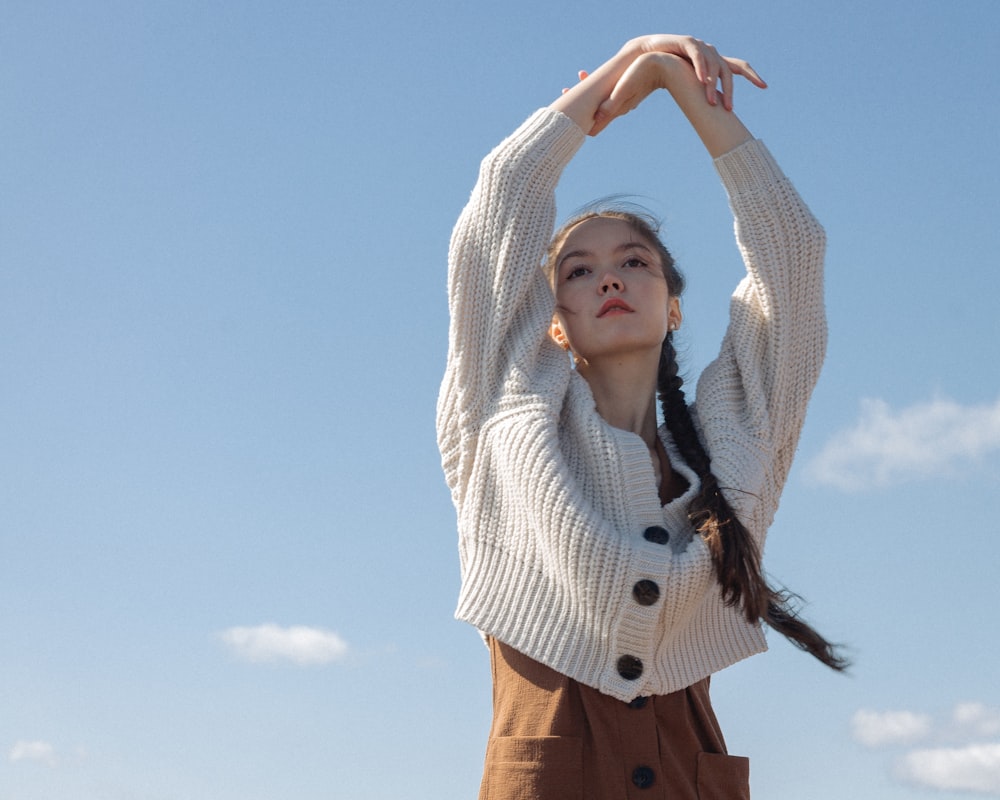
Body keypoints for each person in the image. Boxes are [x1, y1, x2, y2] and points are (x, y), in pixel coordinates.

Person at [437, 34, 847, 800]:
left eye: (636, 262)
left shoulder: (735, 442)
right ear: (553, 322)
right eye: (579, 270)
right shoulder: (506, 410)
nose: (610, 279)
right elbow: (498, 208)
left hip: (692, 773)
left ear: (674, 305)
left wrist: (693, 100)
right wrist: (626, 69)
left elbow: (794, 262)